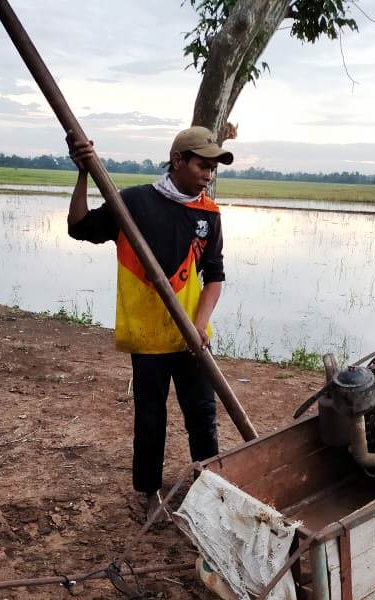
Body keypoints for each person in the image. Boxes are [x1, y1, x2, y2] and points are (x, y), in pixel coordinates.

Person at [66, 126, 232, 515]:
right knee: (151, 417)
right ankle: (148, 494)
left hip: (192, 337)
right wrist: (82, 174)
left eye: (213, 169)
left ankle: (208, 488)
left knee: (203, 416)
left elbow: (215, 277)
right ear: (177, 161)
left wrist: (199, 325)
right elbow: (79, 227)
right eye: (202, 166)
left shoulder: (208, 213)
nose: (208, 175)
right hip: (148, 337)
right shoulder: (135, 203)